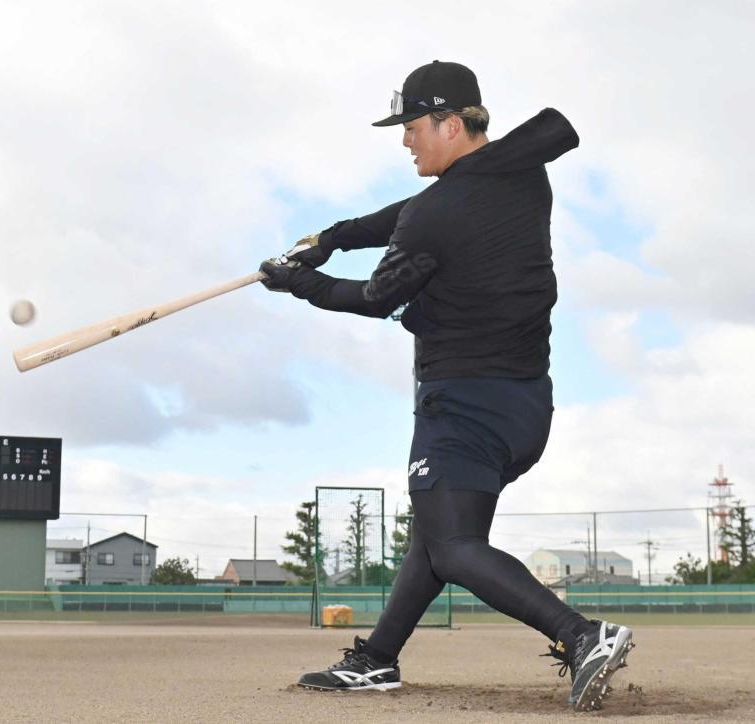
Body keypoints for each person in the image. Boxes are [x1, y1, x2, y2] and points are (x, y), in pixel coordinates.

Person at [259, 60, 634, 712]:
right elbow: (412, 211)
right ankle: (376, 660)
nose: (405, 141)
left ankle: (582, 636)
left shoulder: (438, 217)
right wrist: (332, 239)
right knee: (435, 538)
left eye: (412, 127)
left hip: (461, 403)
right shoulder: (519, 175)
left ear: (450, 123)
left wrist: (299, 283)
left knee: (455, 546)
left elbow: (379, 297)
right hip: (524, 407)